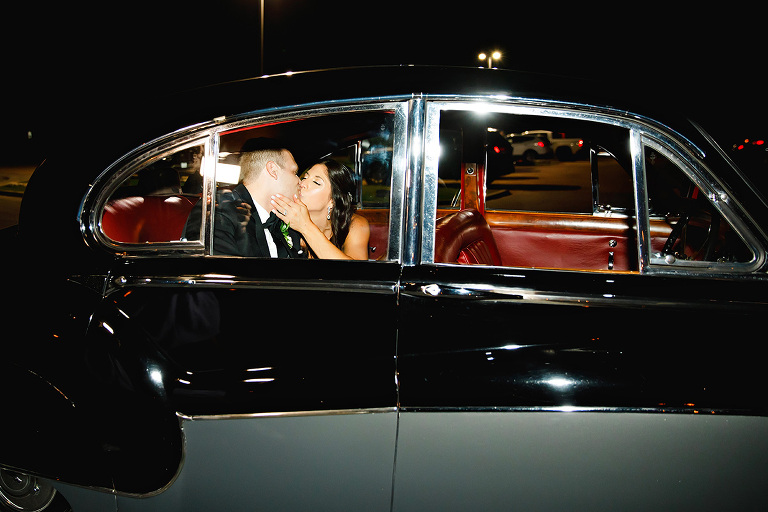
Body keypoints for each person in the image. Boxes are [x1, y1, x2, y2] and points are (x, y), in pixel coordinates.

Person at [183, 141, 305, 258]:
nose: (300, 182)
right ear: (273, 170)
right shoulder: (218, 211)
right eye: (294, 172)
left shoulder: (284, 220)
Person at [270, 159, 370, 260]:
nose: (302, 183)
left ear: (332, 200)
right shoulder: (281, 220)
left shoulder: (354, 225)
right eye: (304, 177)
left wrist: (305, 226)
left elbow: (357, 268)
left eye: (316, 182)